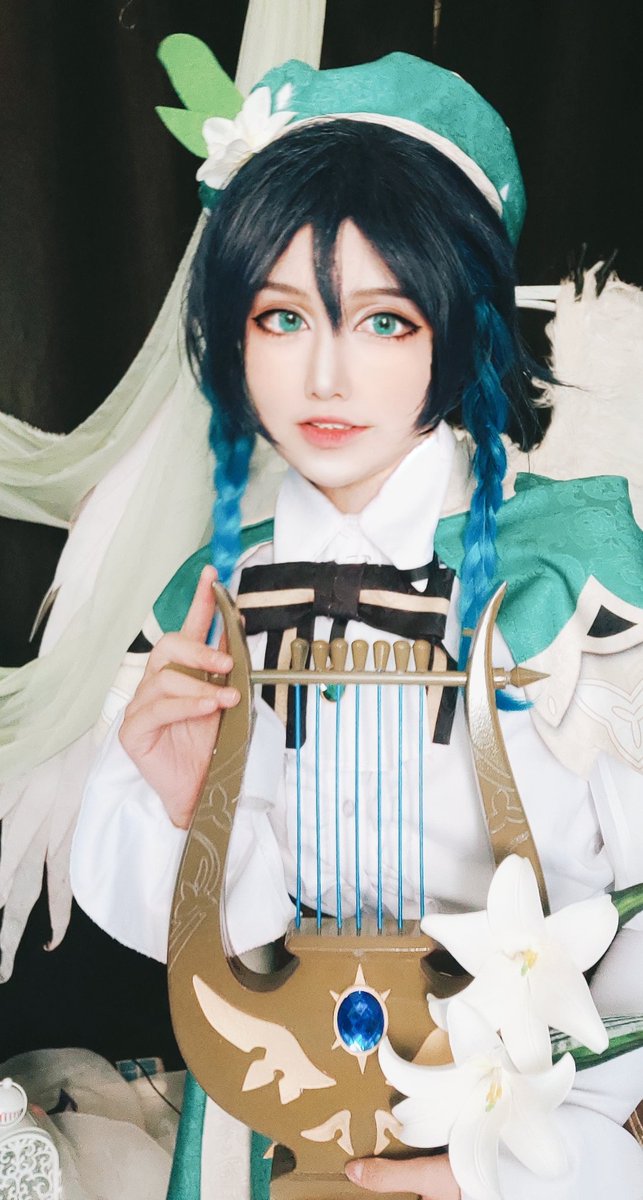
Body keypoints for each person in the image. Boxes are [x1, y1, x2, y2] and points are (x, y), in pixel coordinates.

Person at [70, 52, 643, 1200]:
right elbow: (205, 951)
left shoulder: (568, 577)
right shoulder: (209, 602)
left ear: (460, 329)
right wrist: (194, 812)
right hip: (264, 1120)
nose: (324, 375)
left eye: (383, 321)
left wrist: (552, 1159)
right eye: (282, 316)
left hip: (535, 1149)